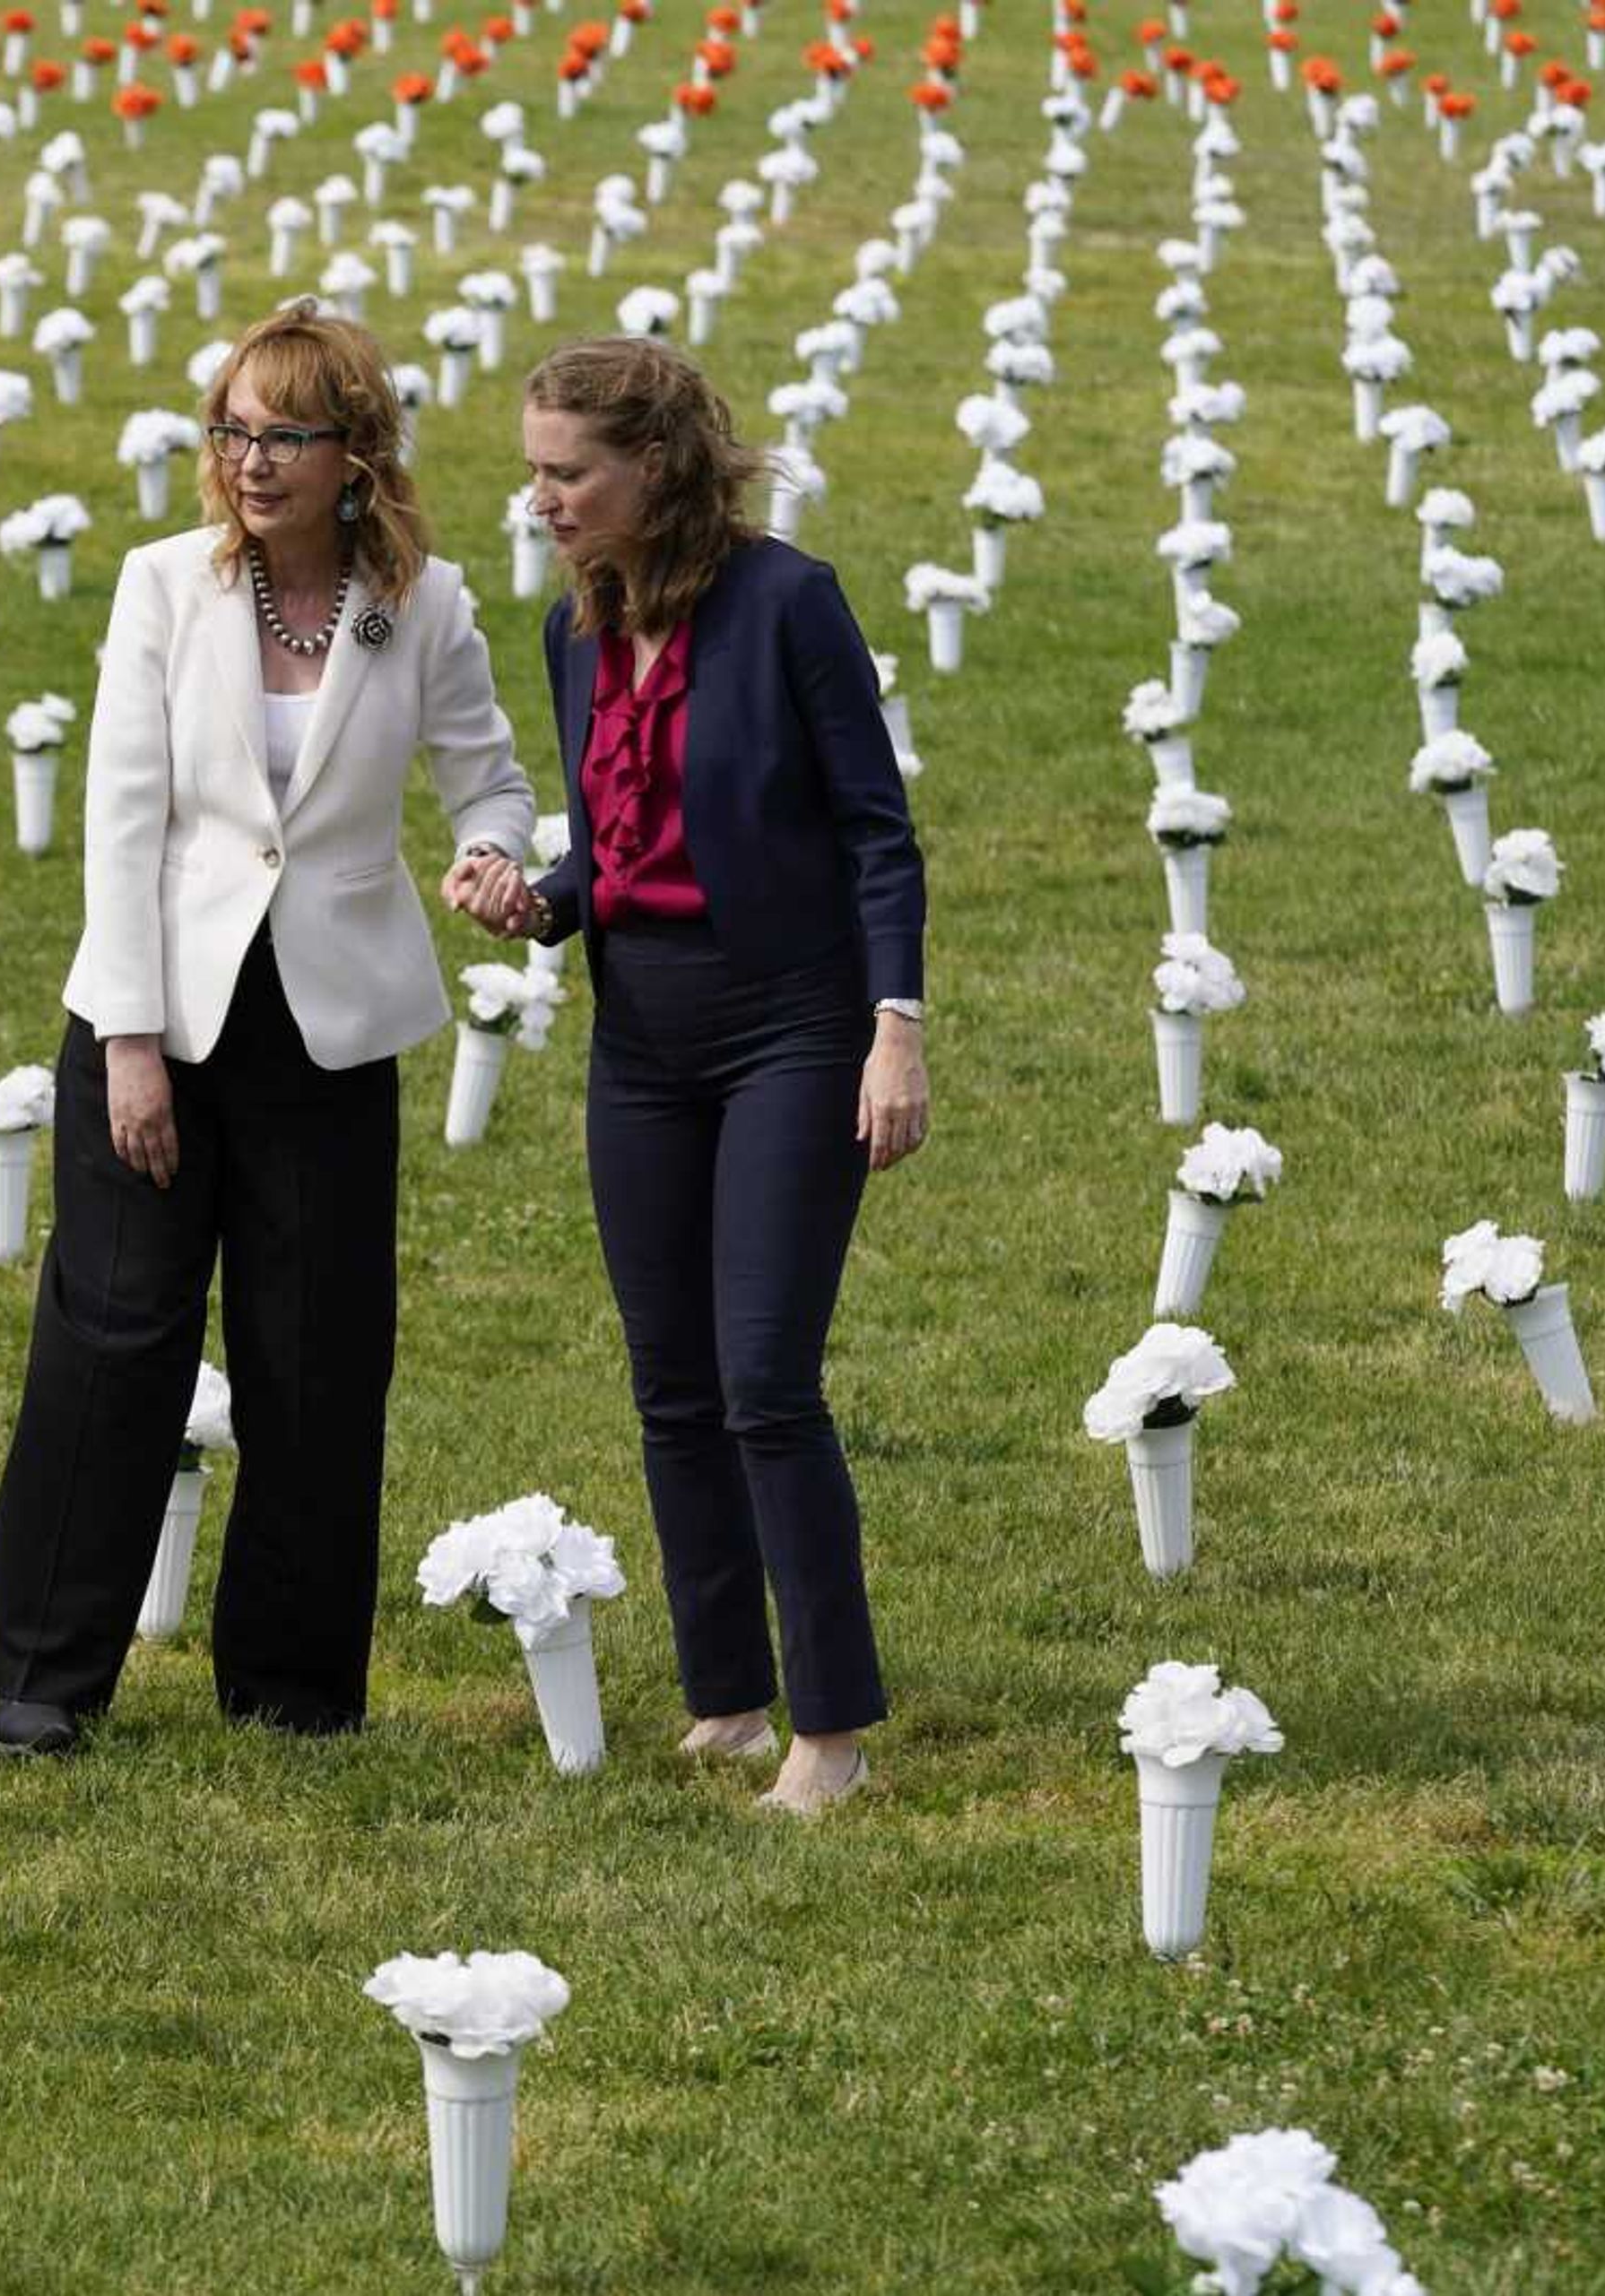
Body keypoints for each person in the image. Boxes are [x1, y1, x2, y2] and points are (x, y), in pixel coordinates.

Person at [0, 303, 538, 1754]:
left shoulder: (427, 606)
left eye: (284, 432)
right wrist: (135, 1045)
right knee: (112, 1333)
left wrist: (491, 856)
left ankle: (292, 1686)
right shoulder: (163, 587)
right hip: (157, 1008)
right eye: (231, 428)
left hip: (333, 1030)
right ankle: (44, 1674)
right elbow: (123, 823)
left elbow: (493, 782)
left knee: (318, 1352)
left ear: (357, 451)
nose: (249, 459)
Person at [493, 334, 931, 1815]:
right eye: (537, 471)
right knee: (671, 1382)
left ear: (658, 467)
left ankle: (834, 1727)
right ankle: (728, 1697)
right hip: (643, 1040)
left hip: (794, 1030)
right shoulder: (577, 628)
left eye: (569, 472)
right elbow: (607, 846)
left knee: (763, 1382)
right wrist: (538, 897)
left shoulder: (788, 604)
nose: (542, 498)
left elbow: (879, 831)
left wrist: (896, 1025)